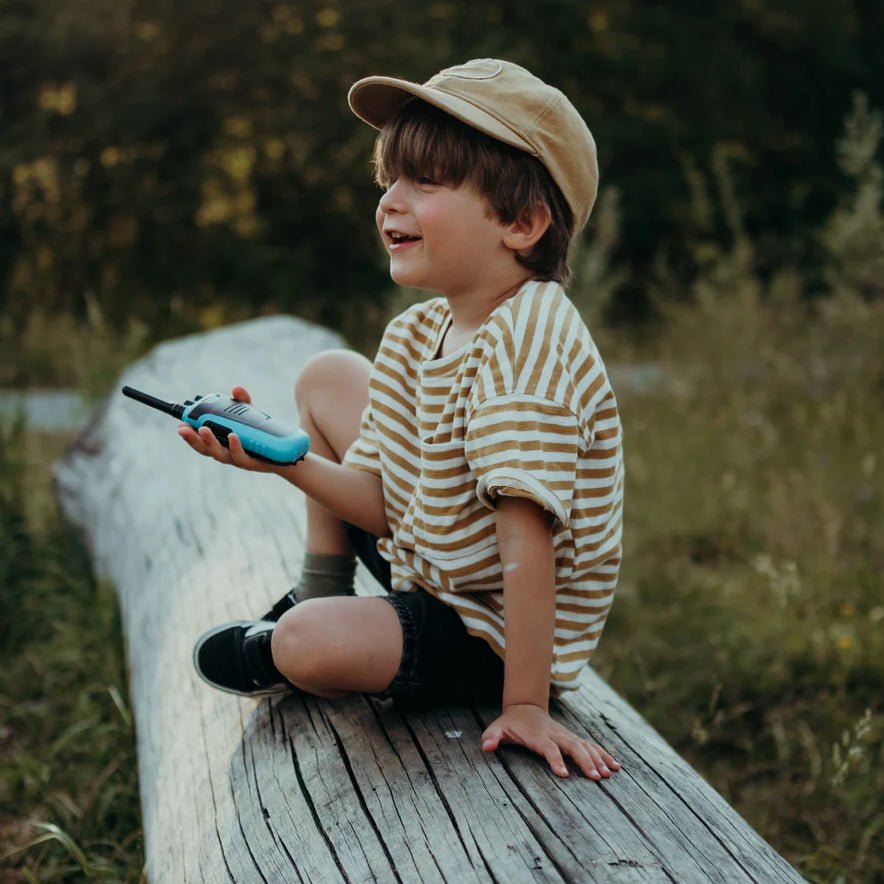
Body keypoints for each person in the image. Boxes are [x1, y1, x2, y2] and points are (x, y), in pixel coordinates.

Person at [183, 59, 624, 781]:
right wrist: (279, 460)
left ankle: (291, 642)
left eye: (425, 182)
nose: (391, 201)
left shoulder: (530, 351)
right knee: (326, 375)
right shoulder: (420, 334)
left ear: (523, 223)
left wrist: (527, 702)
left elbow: (528, 542)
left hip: (488, 627)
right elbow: (381, 500)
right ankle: (322, 585)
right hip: (432, 557)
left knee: (306, 645)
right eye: (389, 178)